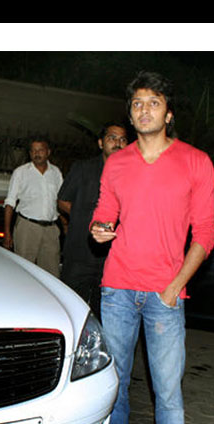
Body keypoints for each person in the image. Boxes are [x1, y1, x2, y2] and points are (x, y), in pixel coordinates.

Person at [89, 71, 214, 424]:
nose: (145, 109)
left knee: (168, 392)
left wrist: (175, 286)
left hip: (165, 294)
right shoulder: (117, 162)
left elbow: (206, 232)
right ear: (130, 113)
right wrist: (98, 228)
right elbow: (105, 213)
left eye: (153, 102)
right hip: (118, 289)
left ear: (168, 112)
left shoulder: (195, 162)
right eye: (137, 103)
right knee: (116, 383)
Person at [57, 122, 128, 319]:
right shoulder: (83, 168)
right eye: (112, 138)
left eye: (122, 139)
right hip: (80, 252)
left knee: (104, 313)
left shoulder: (131, 175)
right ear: (100, 143)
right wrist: (83, 217)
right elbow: (62, 201)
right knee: (71, 309)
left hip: (112, 259)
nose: (117, 143)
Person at [2, 139, 63, 277]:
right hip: (27, 228)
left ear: (48, 152)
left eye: (40, 150)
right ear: (30, 153)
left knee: (51, 274)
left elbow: (61, 200)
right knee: (24, 272)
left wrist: (64, 224)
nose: (37, 153)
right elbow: (10, 202)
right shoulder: (21, 172)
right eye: (33, 150)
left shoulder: (56, 172)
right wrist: (7, 232)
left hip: (50, 230)